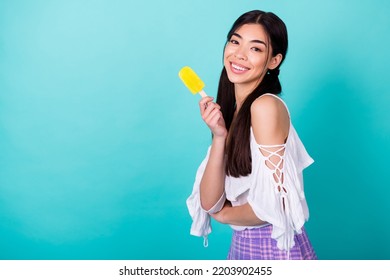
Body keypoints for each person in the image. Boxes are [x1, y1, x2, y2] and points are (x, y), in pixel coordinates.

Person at [186, 10, 317, 260]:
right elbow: (210, 202)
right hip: (242, 248)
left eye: (255, 49)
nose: (239, 54)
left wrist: (224, 214)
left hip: (275, 248)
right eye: (235, 41)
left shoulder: (265, 107)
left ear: (274, 61)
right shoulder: (234, 114)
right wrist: (220, 136)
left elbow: (276, 207)